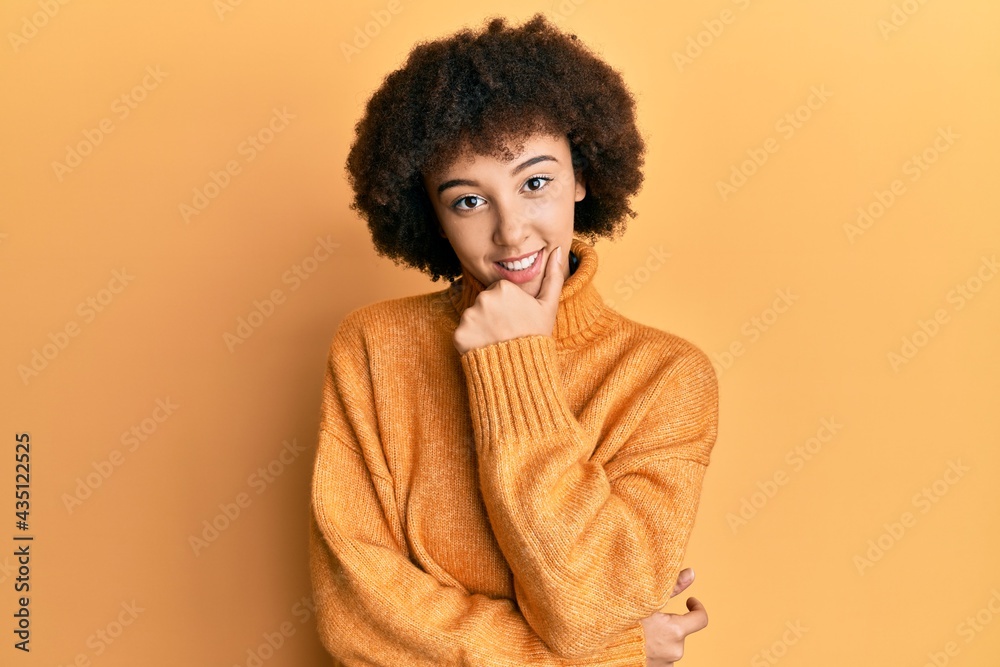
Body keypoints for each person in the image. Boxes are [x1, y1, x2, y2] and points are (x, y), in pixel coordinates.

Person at [308, 13, 719, 666]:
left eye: (535, 183)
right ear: (432, 217)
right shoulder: (372, 346)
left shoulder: (666, 376)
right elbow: (356, 616)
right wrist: (612, 654)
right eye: (469, 200)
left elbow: (590, 611)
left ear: (581, 177)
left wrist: (514, 361)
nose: (511, 232)